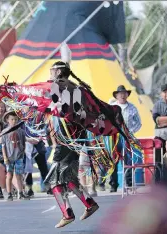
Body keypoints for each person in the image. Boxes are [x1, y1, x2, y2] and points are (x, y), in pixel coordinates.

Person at [44, 61, 99, 228]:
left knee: (54, 180)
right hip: (73, 138)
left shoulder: (61, 87)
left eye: (53, 71)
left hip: (67, 139)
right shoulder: (76, 88)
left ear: (59, 72)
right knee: (67, 178)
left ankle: (67, 213)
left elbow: (58, 109)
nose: (51, 73)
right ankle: (89, 203)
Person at [102, 85, 142, 192]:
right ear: (117, 96)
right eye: (120, 94)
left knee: (128, 159)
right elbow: (105, 120)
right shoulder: (112, 107)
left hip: (127, 137)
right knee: (113, 159)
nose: (123, 95)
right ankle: (113, 185)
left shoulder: (132, 107)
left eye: (124, 93)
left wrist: (131, 132)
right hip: (114, 137)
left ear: (127, 95)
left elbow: (139, 123)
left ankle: (128, 183)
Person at [2, 111, 30, 201]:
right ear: (8, 120)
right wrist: (5, 157)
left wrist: (22, 153)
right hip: (9, 157)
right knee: (9, 175)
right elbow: (3, 146)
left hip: (18, 157)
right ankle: (9, 193)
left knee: (19, 175)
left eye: (15, 119)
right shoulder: (5, 132)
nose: (14, 121)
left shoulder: (21, 132)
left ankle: (21, 192)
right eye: (12, 119)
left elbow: (23, 143)